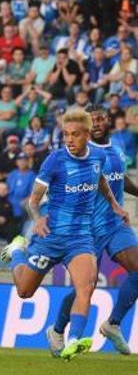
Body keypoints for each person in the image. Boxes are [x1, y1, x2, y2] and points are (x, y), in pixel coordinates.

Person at [0, 109, 127, 361]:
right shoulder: (55, 160)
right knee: (24, 292)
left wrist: (114, 204)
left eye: (75, 135)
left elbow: (100, 181)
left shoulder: (98, 156)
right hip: (51, 235)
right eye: (66, 134)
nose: (69, 139)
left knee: (86, 287)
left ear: (87, 135)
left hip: (80, 237)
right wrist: (37, 220)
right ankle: (16, 251)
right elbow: (33, 201)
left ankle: (73, 341)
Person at [48, 108, 138, 356]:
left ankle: (113, 324)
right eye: (93, 120)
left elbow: (120, 180)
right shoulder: (82, 155)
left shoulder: (118, 149)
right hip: (88, 230)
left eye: (101, 119)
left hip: (116, 226)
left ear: (109, 121)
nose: (97, 123)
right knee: (83, 289)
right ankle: (57, 330)